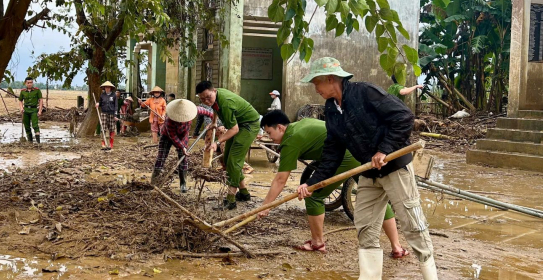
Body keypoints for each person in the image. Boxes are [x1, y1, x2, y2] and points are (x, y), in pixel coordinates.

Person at [297, 57, 443, 280]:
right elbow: (332, 151)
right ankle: (371, 277)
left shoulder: (365, 92)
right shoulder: (331, 109)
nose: (315, 88)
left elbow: (404, 117)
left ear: (332, 79)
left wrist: (384, 149)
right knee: (364, 222)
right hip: (368, 172)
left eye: (317, 82)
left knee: (412, 223)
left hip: (394, 166)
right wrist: (312, 183)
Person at [258, 111, 407, 256]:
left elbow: (280, 179)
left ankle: (317, 243)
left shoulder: (291, 140)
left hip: (343, 157)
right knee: (376, 197)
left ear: (280, 127)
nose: (269, 137)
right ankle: (397, 247)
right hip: (356, 152)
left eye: (269, 133)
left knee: (312, 194)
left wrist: (266, 206)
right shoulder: (298, 126)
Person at [196, 80, 259, 210]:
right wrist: (214, 122)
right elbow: (214, 107)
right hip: (238, 125)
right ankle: (244, 193)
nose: (207, 101)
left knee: (234, 161)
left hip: (248, 125)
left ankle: (231, 200)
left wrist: (217, 142)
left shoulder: (226, 103)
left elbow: (234, 130)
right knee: (227, 158)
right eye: (203, 99)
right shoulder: (215, 97)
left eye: (208, 97)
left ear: (214, 91)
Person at [152, 99, 214, 192]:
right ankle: (154, 183)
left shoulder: (193, 110)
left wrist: (213, 121)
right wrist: (182, 147)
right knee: (161, 157)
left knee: (184, 158)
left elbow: (208, 113)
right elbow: (173, 136)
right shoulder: (169, 121)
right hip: (167, 136)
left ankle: (183, 183)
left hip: (183, 136)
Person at [18, 76, 43, 143]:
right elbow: (20, 100)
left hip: (34, 110)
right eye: (28, 83)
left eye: (31, 83)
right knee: (27, 126)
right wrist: (21, 108)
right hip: (26, 110)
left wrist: (40, 110)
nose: (30, 84)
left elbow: (40, 100)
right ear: (25, 83)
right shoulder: (23, 91)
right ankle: (30, 142)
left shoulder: (37, 90)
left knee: (35, 125)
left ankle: (38, 142)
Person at [95, 81, 118, 149]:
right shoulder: (102, 95)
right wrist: (98, 104)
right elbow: (100, 102)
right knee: (103, 128)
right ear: (104, 88)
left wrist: (115, 115)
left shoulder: (114, 95)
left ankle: (111, 144)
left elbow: (116, 105)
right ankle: (103, 143)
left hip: (111, 113)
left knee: (112, 129)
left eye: (108, 87)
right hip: (104, 113)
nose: (107, 89)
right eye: (106, 87)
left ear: (110, 88)